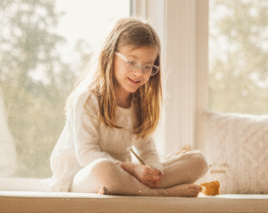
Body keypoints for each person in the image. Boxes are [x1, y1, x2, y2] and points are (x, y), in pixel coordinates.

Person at [49, 17, 207, 196]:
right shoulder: (87, 99)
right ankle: (162, 194)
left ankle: (143, 189)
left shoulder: (138, 105)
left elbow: (147, 150)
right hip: (83, 176)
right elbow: (87, 153)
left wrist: (155, 172)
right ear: (110, 55)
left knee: (198, 161)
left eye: (148, 67)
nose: (139, 72)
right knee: (104, 169)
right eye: (131, 62)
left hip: (126, 178)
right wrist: (131, 169)